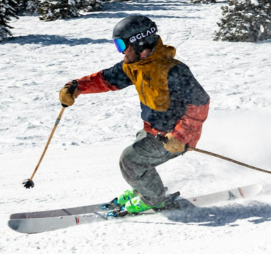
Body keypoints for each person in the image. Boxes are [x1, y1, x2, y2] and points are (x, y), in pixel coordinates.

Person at [58, 15, 210, 215]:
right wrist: (76, 87)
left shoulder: (173, 71)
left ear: (140, 43)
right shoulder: (135, 66)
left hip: (175, 137)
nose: (121, 51)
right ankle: (145, 189)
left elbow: (200, 103)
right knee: (137, 160)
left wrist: (181, 135)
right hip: (153, 130)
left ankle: (155, 200)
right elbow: (106, 79)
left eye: (121, 45)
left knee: (131, 161)